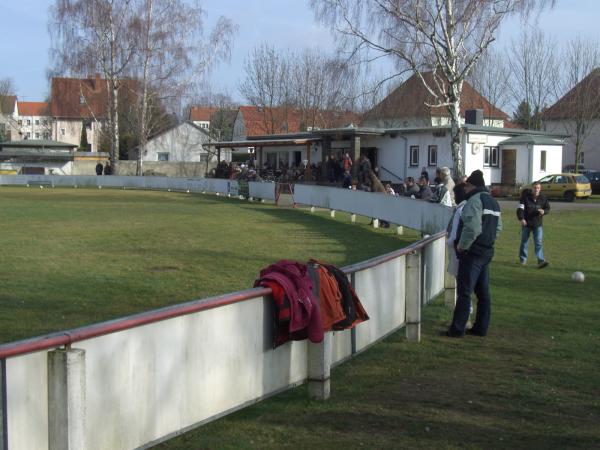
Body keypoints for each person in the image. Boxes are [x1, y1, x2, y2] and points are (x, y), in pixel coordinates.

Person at [445, 170, 502, 338]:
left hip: (473, 252)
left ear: (472, 186)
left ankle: (457, 329)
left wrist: (462, 246)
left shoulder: (474, 201)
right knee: (483, 293)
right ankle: (481, 328)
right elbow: (498, 228)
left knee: (464, 292)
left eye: (467, 185)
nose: (465, 189)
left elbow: (472, 228)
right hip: (487, 251)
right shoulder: (493, 202)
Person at [517, 181, 550, 268]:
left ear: (540, 189)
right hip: (526, 223)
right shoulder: (525, 198)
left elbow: (547, 208)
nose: (536, 189)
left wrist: (544, 211)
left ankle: (541, 261)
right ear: (532, 188)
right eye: (535, 188)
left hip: (537, 224)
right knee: (524, 242)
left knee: (538, 242)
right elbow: (520, 209)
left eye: (538, 188)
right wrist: (521, 218)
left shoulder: (543, 198)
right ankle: (523, 259)